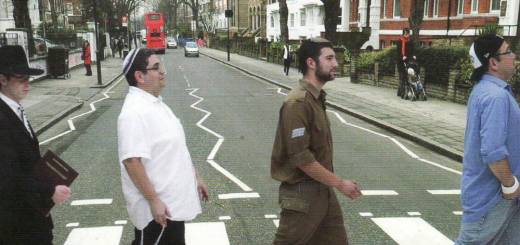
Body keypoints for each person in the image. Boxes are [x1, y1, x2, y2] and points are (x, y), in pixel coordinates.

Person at [271, 37, 362, 245]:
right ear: (311, 63)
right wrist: (340, 184)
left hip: (323, 192)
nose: (336, 64)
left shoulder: (316, 98)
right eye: (329, 58)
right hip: (302, 196)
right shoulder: (298, 103)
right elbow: (301, 158)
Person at [117, 48, 209, 245]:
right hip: (157, 213)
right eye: (156, 68)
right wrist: (153, 200)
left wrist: (196, 177)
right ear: (139, 76)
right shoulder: (134, 112)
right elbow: (132, 161)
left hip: (172, 208)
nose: (162, 72)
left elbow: (174, 150)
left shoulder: (155, 104)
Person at [0, 45, 71, 245]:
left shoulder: (14, 108)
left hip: (31, 219)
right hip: (18, 228)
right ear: (2, 79)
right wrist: (49, 192)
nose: (27, 83)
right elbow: (8, 176)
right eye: (21, 78)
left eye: (28, 78)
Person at [455, 34, 520, 244]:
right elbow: (493, 151)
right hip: (493, 196)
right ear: (493, 62)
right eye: (508, 51)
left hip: (503, 197)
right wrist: (510, 185)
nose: (514, 55)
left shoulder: (485, 90)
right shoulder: (495, 96)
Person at [396, 28, 414, 98]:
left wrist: (413, 55)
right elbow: (398, 52)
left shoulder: (410, 41)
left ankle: (407, 91)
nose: (407, 35)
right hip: (401, 62)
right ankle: (400, 92)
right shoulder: (399, 41)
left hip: (408, 61)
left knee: (408, 77)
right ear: (403, 33)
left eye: (408, 33)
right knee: (402, 77)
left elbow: (412, 50)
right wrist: (401, 57)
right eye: (406, 33)